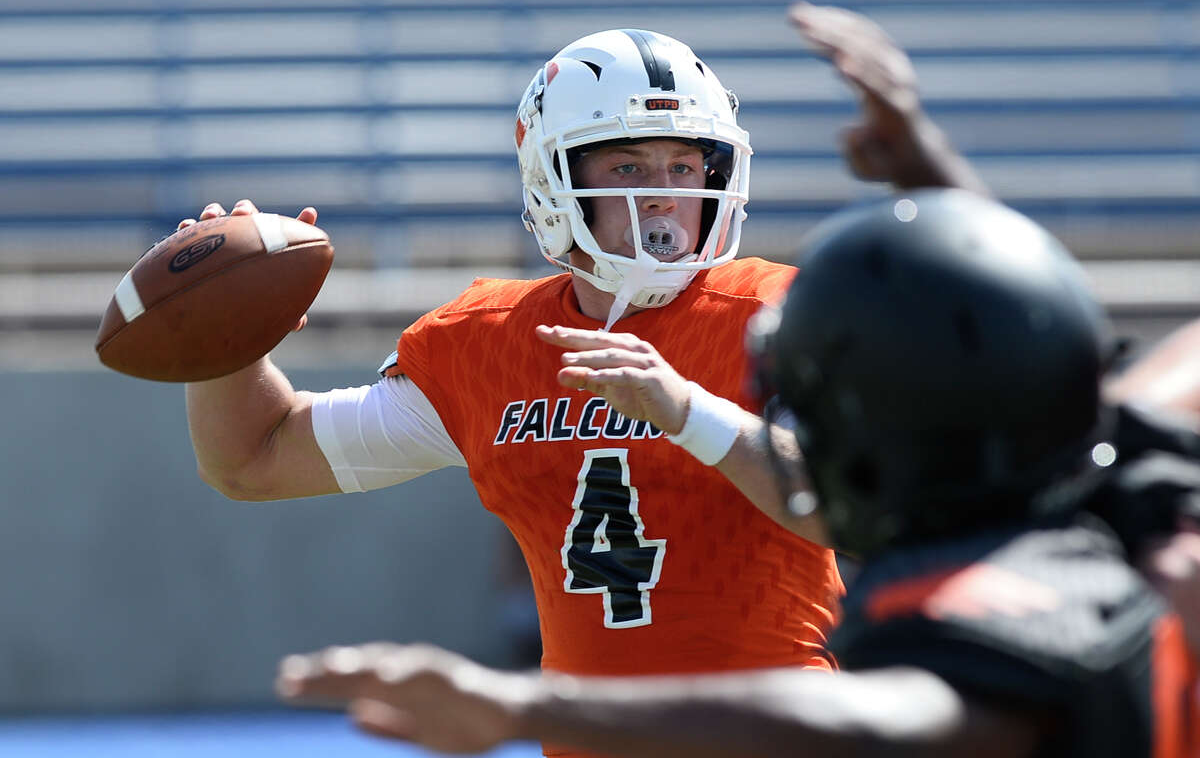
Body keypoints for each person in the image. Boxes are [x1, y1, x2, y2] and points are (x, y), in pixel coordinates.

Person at [275, 189, 1200, 758]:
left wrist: (517, 705)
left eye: (683, 167)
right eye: (632, 168)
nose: (666, 198)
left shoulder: (1032, 601)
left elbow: (875, 725)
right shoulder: (1127, 492)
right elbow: (1073, 367)